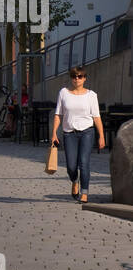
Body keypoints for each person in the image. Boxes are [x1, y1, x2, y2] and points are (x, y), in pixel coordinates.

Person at [50, 68, 105, 204]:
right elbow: (58, 115)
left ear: (85, 78)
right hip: (69, 134)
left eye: (80, 76)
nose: (77, 79)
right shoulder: (63, 93)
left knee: (84, 162)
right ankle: (75, 180)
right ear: (71, 78)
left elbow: (97, 117)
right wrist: (54, 133)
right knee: (71, 166)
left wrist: (101, 136)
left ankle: (84, 192)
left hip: (87, 132)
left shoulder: (91, 95)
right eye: (74, 76)